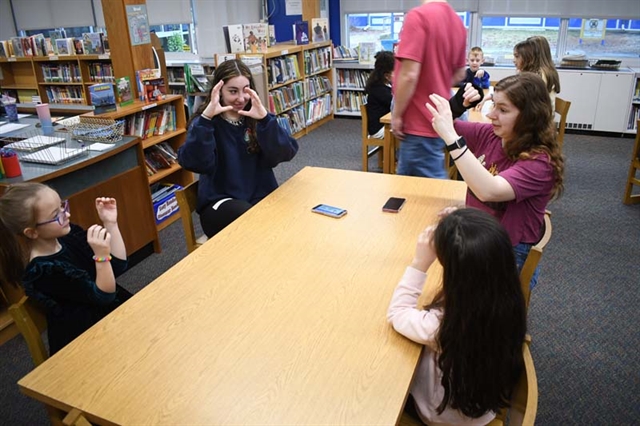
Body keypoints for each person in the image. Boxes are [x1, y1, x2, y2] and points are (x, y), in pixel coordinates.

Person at [387, 207, 527, 425]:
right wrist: (459, 221)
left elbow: (397, 313)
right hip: (482, 404)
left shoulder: (448, 327)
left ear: (458, 277)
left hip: (441, 416)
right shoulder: (506, 298)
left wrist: (419, 263)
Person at [426, 72, 565, 288]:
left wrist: (453, 140)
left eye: (503, 110)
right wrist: (457, 105)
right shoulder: (493, 135)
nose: (491, 115)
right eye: (494, 105)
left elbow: (489, 190)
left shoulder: (540, 162)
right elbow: (438, 128)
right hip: (483, 237)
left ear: (530, 116)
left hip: (507, 255)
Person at [0, 183, 131, 355]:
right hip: (85, 340)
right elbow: (104, 296)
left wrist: (110, 223)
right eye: (57, 215)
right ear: (32, 233)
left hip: (110, 315)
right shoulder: (43, 271)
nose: (67, 214)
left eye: (62, 206)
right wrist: (101, 257)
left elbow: (118, 267)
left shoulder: (69, 236)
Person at [178, 59, 298, 238]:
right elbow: (194, 162)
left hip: (258, 198)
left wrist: (265, 119)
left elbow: (286, 152)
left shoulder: (257, 118)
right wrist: (206, 119)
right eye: (233, 91)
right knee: (252, 218)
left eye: (246, 90)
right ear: (218, 92)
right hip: (221, 204)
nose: (241, 98)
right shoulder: (204, 123)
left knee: (292, 216)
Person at [391, 0, 467, 178]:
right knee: (418, 185)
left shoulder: (418, 17)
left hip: (418, 118)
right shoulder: (457, 23)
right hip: (437, 117)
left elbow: (409, 75)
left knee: (420, 188)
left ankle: (458, 206)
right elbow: (460, 73)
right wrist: (437, 84)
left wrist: (397, 114)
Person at [513, 36, 561, 108]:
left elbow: (523, 99)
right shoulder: (546, 71)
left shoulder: (539, 75)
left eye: (517, 56)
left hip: (538, 116)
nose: (514, 60)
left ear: (531, 55)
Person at [364, 51, 394, 139]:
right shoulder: (378, 89)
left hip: (386, 123)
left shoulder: (386, 84)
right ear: (387, 75)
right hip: (379, 128)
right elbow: (396, 103)